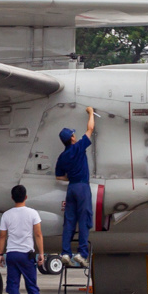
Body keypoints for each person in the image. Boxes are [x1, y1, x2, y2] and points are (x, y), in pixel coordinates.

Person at [55, 106, 96, 267]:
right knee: (84, 219)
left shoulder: (63, 157)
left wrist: (70, 177)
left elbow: (58, 176)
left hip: (71, 188)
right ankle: (82, 254)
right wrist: (91, 113)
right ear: (72, 138)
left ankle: (65, 253)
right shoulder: (79, 147)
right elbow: (90, 128)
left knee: (69, 221)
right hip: (82, 187)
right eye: (73, 134)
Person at [0, 185, 45, 294]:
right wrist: (41, 253)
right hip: (26, 254)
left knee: (12, 285)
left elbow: (2, 236)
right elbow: (38, 234)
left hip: (12, 253)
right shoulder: (33, 213)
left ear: (12, 198)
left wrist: (0, 254)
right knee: (31, 284)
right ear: (26, 197)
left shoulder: (6, 215)